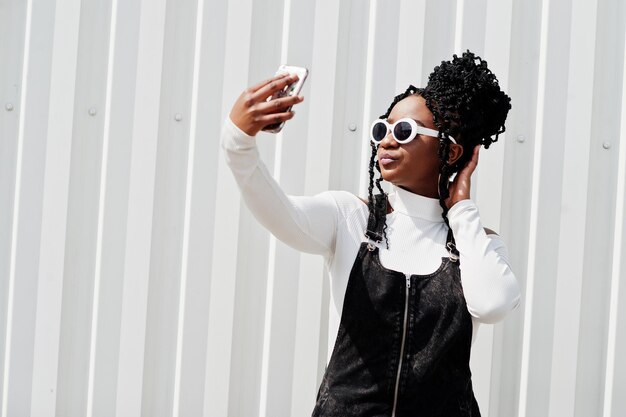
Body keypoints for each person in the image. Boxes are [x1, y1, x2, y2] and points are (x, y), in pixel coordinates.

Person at [222, 50, 521, 417]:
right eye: (383, 128)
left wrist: (461, 208)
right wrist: (238, 142)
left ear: (452, 150)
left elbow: (493, 304)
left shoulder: (476, 243)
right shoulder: (351, 219)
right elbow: (281, 213)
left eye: (405, 131)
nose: (387, 140)